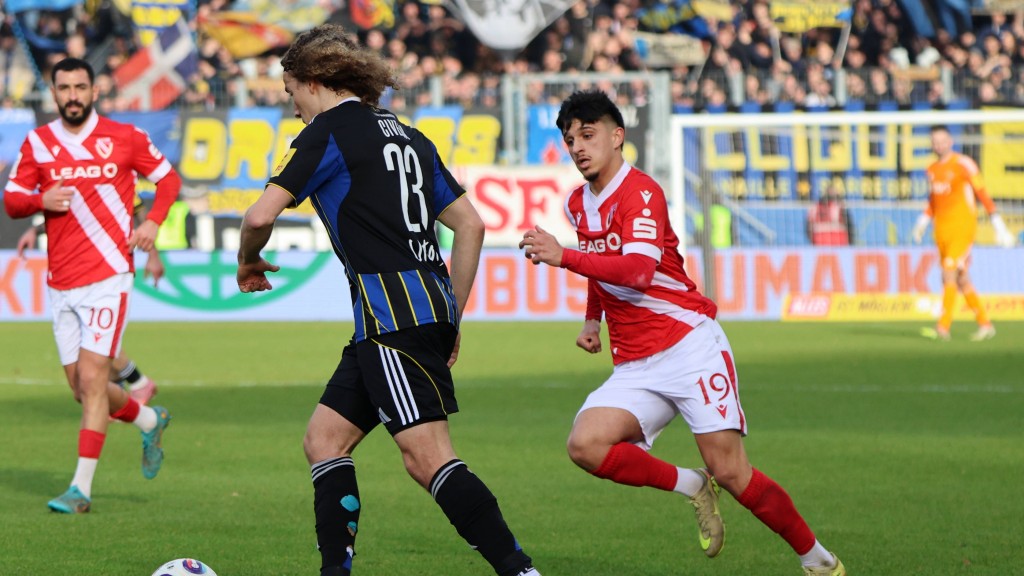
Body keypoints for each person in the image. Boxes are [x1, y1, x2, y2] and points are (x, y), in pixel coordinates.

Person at [235, 25, 540, 576]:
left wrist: (247, 261)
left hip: (391, 321)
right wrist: (453, 314)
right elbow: (470, 225)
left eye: (291, 94)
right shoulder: (410, 137)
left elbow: (259, 215)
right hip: (407, 317)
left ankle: (519, 569)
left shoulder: (327, 134)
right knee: (324, 439)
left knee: (427, 457)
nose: (293, 108)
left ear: (314, 81)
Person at [519, 90, 845, 576]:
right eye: (570, 140)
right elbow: (602, 265)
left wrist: (562, 255)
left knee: (733, 472)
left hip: (688, 345)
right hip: (636, 362)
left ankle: (817, 560)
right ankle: (691, 484)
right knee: (585, 445)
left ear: (616, 135)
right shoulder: (577, 203)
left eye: (588, 135)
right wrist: (593, 319)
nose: (579, 147)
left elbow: (636, 272)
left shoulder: (641, 192)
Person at [2, 57, 177, 514]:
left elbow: (169, 179)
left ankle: (80, 490)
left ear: (94, 91)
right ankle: (147, 418)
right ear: (54, 93)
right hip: (61, 284)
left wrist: (154, 224)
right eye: (65, 88)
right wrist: (41, 200)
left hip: (108, 279)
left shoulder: (125, 138)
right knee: (81, 388)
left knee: (96, 378)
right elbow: (12, 200)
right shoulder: (38, 144)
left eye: (81, 86)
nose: (73, 95)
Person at [17, 207, 161, 404]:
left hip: (106, 271)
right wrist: (35, 230)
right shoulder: (79, 184)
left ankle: (136, 388)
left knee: (95, 341)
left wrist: (153, 255)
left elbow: (139, 214)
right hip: (76, 270)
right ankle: (127, 395)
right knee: (93, 345)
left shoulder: (116, 181)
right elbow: (72, 216)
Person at [913, 125, 1015, 341]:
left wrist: (996, 221)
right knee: (961, 279)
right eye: (934, 141)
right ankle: (985, 324)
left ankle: (943, 328)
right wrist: (923, 220)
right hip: (941, 229)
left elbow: (981, 192)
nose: (939, 144)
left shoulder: (963, 164)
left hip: (963, 227)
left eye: (942, 140)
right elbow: (934, 200)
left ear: (950, 141)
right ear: (931, 144)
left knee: (947, 273)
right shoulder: (931, 169)